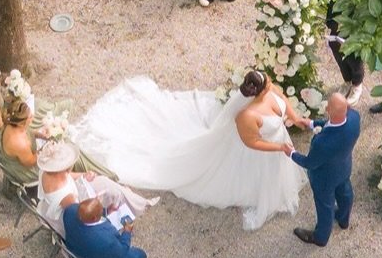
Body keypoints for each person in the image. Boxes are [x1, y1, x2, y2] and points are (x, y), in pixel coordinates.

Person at [73, 67, 307, 232]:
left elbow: (281, 97)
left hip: (278, 145)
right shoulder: (246, 116)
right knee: (246, 177)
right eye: (267, 88)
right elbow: (252, 143)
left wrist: (295, 118)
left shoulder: (268, 88)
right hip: (260, 151)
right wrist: (278, 147)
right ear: (255, 93)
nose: (271, 89)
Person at [36, 140, 157, 232]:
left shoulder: (46, 171)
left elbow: (67, 176)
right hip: (70, 213)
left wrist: (84, 175)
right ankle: (132, 206)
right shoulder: (66, 196)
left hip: (64, 199)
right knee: (111, 192)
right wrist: (96, 202)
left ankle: (135, 201)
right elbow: (80, 214)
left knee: (105, 183)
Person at [291, 91, 362, 247]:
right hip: (343, 168)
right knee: (345, 192)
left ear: (329, 110)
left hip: (325, 179)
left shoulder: (322, 143)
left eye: (328, 104)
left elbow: (309, 163)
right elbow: (333, 124)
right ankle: (343, 220)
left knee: (325, 205)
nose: (326, 105)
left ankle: (321, 237)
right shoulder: (354, 118)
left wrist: (291, 153)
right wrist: (312, 124)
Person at [62, 199, 147, 258]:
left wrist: (106, 211)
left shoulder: (70, 211)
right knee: (141, 256)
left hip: (75, 256)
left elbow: (87, 215)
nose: (102, 210)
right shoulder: (105, 240)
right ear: (94, 218)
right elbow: (121, 251)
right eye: (100, 210)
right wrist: (127, 232)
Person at [325, 0, 366, 106]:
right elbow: (330, 15)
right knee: (338, 53)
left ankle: (357, 85)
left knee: (354, 59)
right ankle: (347, 80)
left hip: (353, 32)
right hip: (337, 30)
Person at [0, 95, 40, 170]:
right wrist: (43, 151)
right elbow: (30, 162)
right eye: (30, 117)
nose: (33, 116)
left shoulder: (10, 123)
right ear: (21, 123)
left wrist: (40, 135)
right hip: (26, 170)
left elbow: (27, 132)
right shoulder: (20, 143)